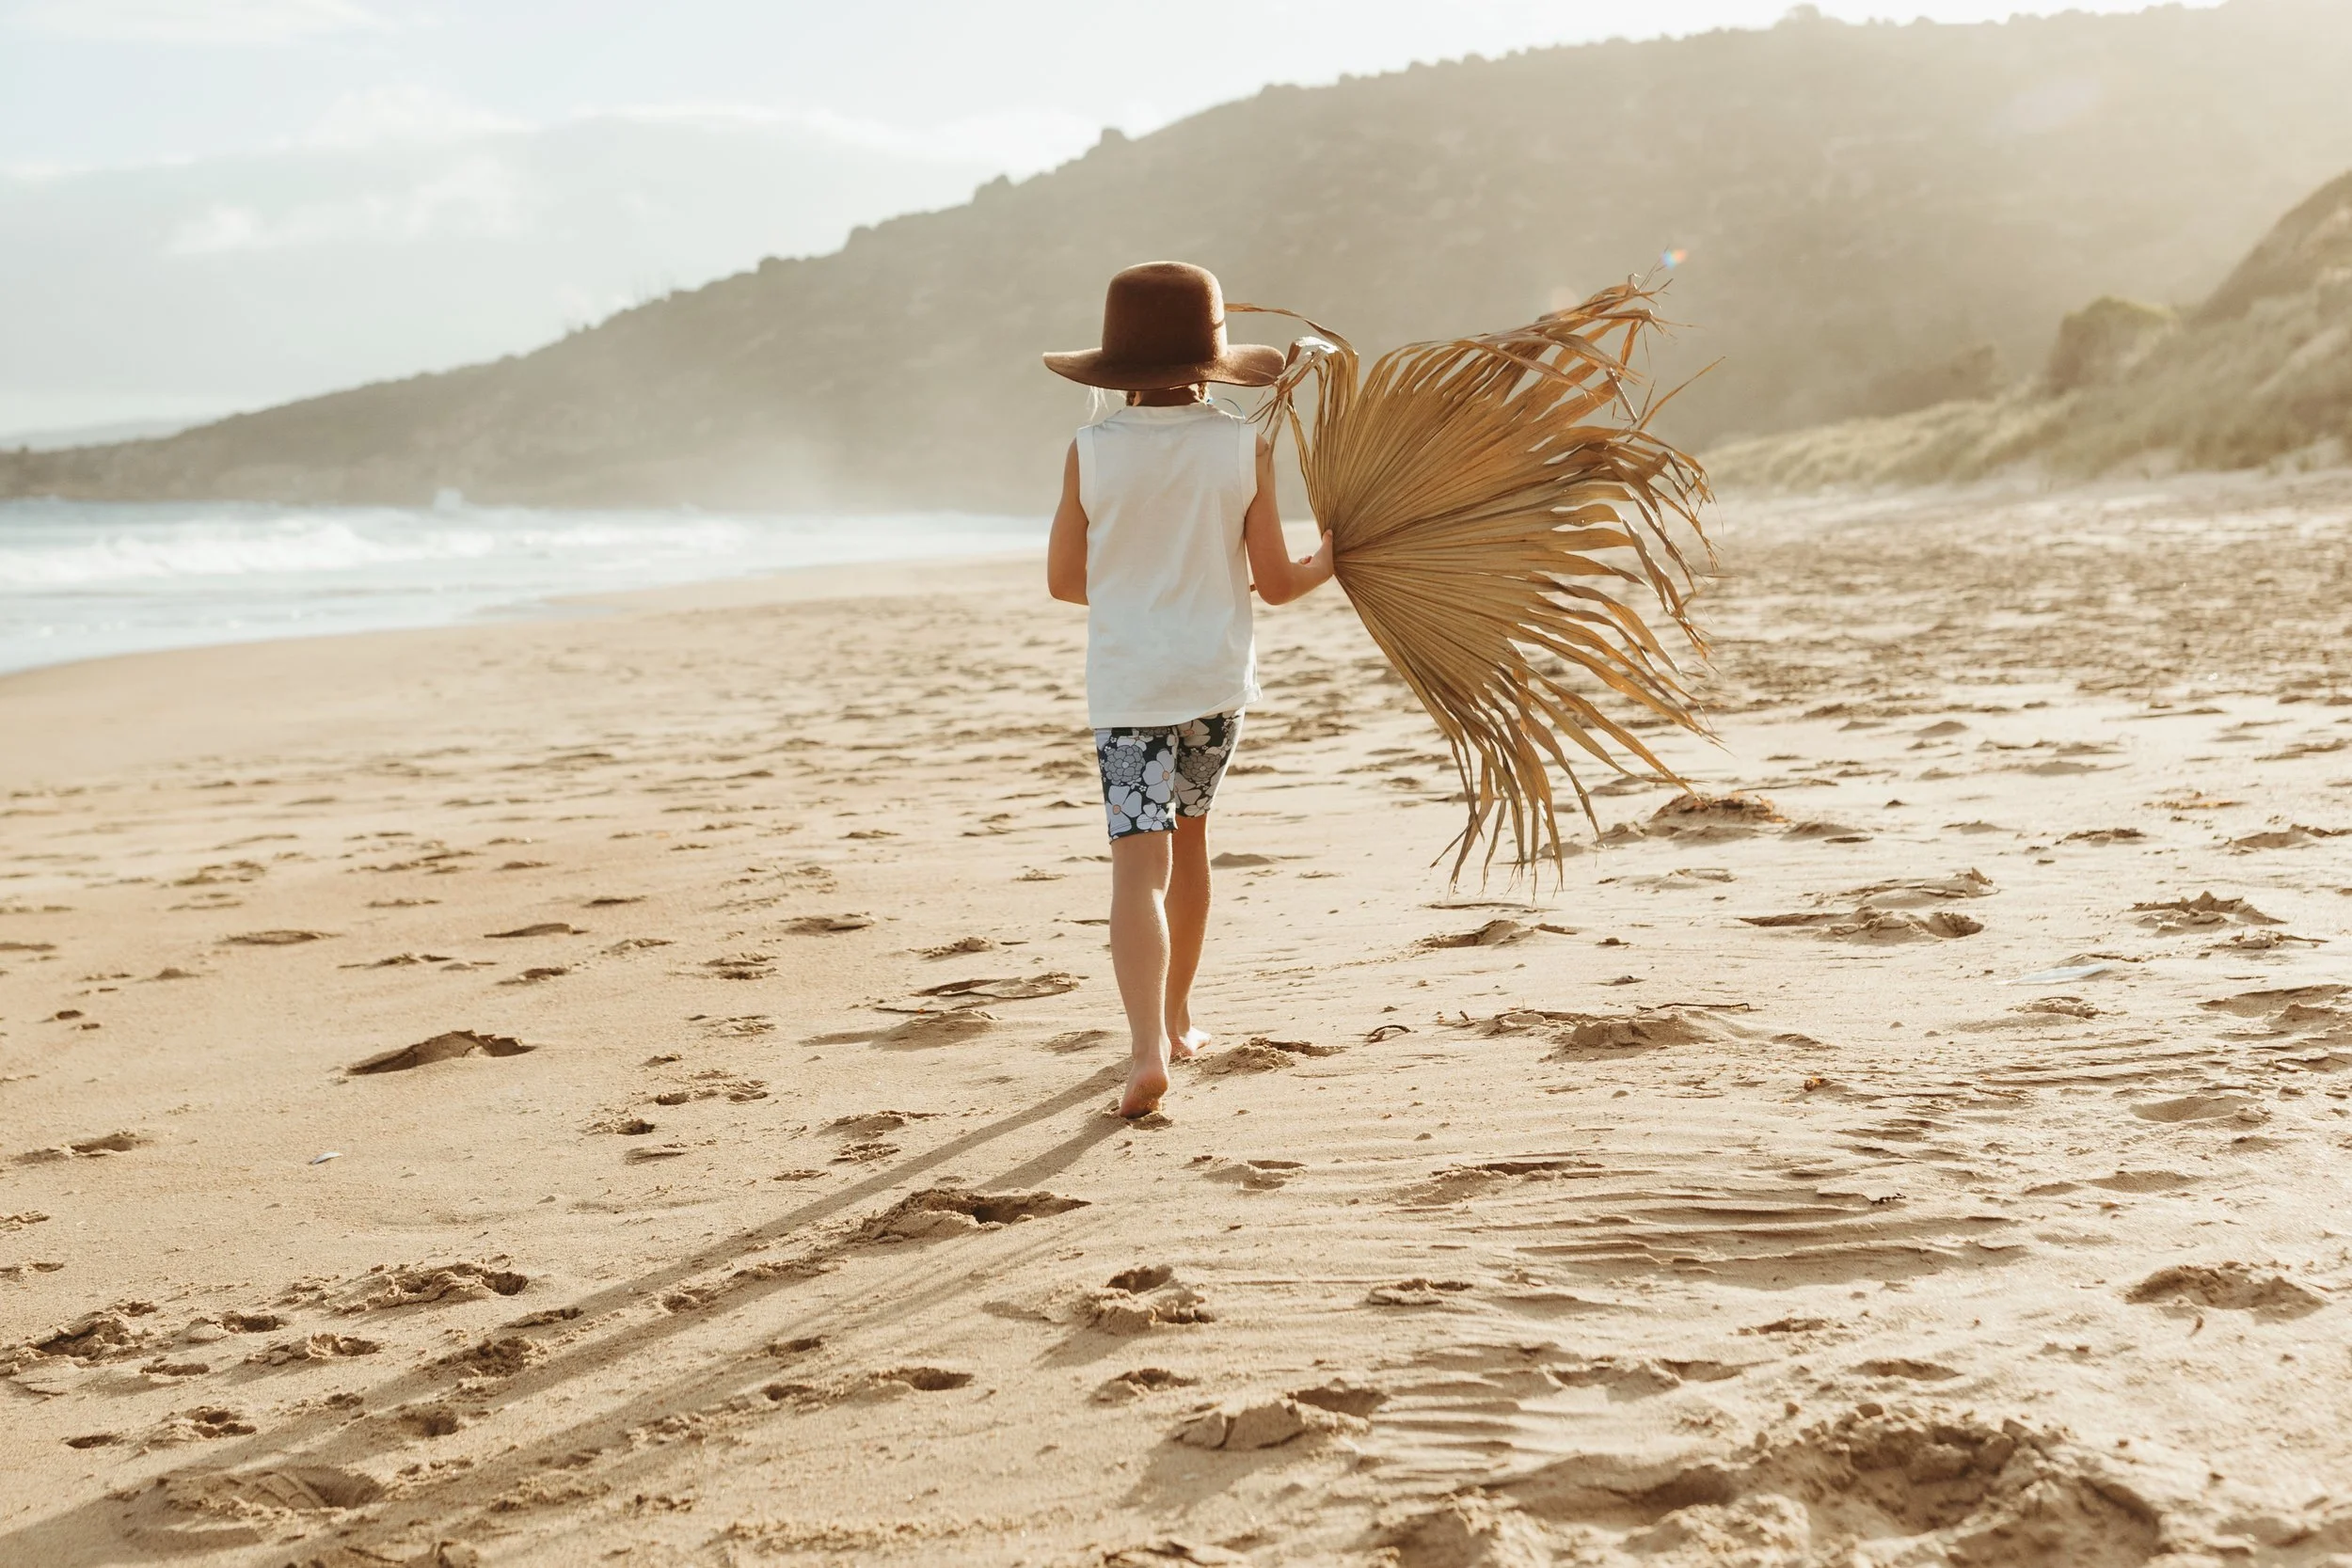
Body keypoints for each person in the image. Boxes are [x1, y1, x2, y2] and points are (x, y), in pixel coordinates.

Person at [1042, 261, 1336, 1118]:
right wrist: (1334, 553)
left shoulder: (1091, 450)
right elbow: (1278, 583)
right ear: (1209, 359)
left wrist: (1141, 585)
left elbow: (1066, 580)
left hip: (1132, 687)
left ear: (1117, 365)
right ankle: (1178, 1022)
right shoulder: (1243, 443)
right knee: (1193, 851)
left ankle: (1142, 1052)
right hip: (1214, 681)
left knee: (1139, 865)